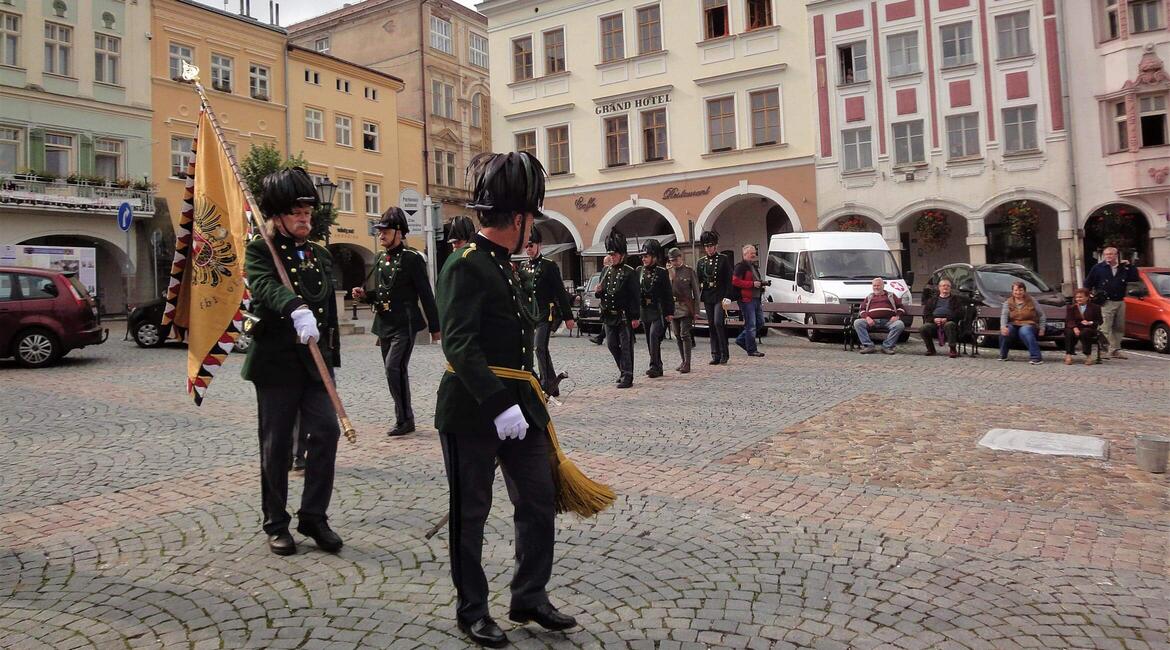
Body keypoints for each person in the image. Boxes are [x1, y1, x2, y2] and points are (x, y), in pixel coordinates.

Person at [435, 151, 577, 648]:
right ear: (518, 218)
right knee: (470, 512)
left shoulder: (504, 264)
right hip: (474, 408)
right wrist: (499, 404)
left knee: (538, 501)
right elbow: (459, 343)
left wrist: (519, 403)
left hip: (521, 405)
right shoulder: (464, 264)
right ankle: (471, 609)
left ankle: (529, 595)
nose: (532, 225)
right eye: (531, 217)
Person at [241, 167, 342, 556]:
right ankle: (276, 522)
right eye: (297, 213)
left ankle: (314, 515)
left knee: (327, 433)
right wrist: (294, 307)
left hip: (315, 365)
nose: (305, 219)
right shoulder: (259, 249)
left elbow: (326, 310)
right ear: (278, 215)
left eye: (307, 212)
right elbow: (264, 286)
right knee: (277, 445)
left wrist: (331, 359)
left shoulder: (318, 252)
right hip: (277, 364)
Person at [351, 207, 441, 437]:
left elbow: (426, 294)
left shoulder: (412, 259)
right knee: (392, 370)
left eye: (385, 231)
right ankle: (403, 418)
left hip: (405, 322)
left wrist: (435, 328)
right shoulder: (381, 258)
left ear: (399, 232)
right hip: (384, 323)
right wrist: (365, 296)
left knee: (394, 368)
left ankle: (405, 419)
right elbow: (382, 293)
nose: (380, 235)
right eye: (379, 231)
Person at [521, 228, 576, 396]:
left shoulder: (549, 266)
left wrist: (568, 316)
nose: (529, 249)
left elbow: (560, 292)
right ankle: (552, 383)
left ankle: (546, 383)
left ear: (539, 245)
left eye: (532, 245)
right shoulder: (524, 267)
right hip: (530, 314)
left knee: (539, 347)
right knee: (537, 349)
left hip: (546, 313)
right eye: (527, 246)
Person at [594, 231, 641, 388]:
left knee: (626, 346)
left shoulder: (629, 272)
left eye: (614, 255)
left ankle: (628, 375)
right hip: (608, 315)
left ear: (621, 255)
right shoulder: (606, 271)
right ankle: (622, 369)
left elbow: (635, 296)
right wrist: (598, 290)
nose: (612, 257)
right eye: (610, 255)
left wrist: (635, 316)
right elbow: (601, 294)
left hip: (623, 315)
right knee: (612, 345)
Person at [1084, 246, 1138, 359]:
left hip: (1120, 300)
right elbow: (1088, 283)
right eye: (1106, 254)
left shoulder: (1123, 268)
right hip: (1105, 301)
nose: (1108, 256)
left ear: (1116, 255)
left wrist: (1130, 265)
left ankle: (1115, 349)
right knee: (1105, 327)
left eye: (1111, 254)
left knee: (1119, 327)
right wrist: (1088, 295)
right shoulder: (1098, 268)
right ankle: (1103, 350)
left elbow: (1134, 278)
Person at [637, 239, 674, 378]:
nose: (644, 259)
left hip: (658, 310)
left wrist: (669, 312)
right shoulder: (639, 271)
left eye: (646, 256)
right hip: (645, 310)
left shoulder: (661, 272)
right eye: (643, 256)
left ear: (654, 257)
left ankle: (654, 366)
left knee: (654, 336)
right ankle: (658, 365)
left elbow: (667, 293)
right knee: (649, 339)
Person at [696, 230, 733, 364]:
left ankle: (724, 352)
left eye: (711, 246)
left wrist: (728, 296)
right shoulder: (701, 262)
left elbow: (729, 279)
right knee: (711, 325)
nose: (709, 249)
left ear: (715, 246)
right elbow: (698, 280)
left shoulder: (723, 259)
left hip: (720, 296)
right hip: (707, 296)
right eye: (706, 246)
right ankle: (715, 354)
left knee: (718, 323)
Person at [998, 280, 1047, 364]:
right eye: (1016, 290)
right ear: (1012, 291)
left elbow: (1042, 315)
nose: (1018, 292)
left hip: (1029, 324)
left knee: (1024, 330)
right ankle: (1003, 355)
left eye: (1020, 290)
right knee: (1007, 330)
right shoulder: (1008, 302)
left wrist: (1042, 328)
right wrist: (1003, 327)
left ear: (1024, 291)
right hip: (1014, 324)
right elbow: (1004, 316)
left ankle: (1036, 357)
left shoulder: (1032, 300)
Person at [854, 277, 907, 354]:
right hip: (872, 321)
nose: (876, 287)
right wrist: (867, 317)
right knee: (857, 323)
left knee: (899, 324)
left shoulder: (890, 296)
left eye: (878, 285)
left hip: (888, 321)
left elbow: (901, 308)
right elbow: (862, 310)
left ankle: (887, 346)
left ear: (883, 286)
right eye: (874, 286)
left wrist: (897, 316)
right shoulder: (869, 297)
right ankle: (868, 346)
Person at [731, 244, 767, 358]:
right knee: (751, 325)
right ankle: (752, 350)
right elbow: (735, 281)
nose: (754, 255)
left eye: (754, 253)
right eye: (752, 253)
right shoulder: (740, 266)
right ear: (745, 254)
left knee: (760, 322)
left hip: (756, 298)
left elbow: (755, 280)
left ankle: (741, 340)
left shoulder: (753, 266)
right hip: (746, 299)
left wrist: (761, 284)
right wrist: (752, 284)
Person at [667, 247, 698, 373]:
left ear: (681, 257)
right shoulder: (668, 272)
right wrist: (670, 276)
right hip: (673, 307)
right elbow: (667, 291)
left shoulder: (689, 271)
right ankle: (683, 360)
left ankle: (688, 363)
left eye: (676, 259)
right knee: (677, 335)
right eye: (672, 260)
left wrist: (696, 310)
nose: (674, 262)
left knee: (685, 334)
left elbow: (696, 292)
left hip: (686, 307)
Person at [920, 279, 964, 357]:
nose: (945, 287)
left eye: (948, 286)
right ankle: (931, 349)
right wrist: (934, 319)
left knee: (949, 325)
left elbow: (959, 313)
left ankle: (953, 349)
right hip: (934, 323)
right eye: (943, 285)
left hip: (949, 322)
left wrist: (946, 319)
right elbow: (926, 314)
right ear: (939, 287)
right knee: (923, 328)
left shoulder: (955, 300)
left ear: (950, 288)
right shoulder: (932, 300)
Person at [1064, 287, 1103, 365]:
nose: (1078, 299)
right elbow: (1069, 320)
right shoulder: (1071, 307)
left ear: (1087, 297)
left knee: (1085, 332)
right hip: (1075, 327)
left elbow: (1099, 321)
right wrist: (1074, 328)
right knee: (1069, 332)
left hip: (1089, 328)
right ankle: (1068, 355)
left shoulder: (1095, 307)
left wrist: (1090, 322)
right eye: (1077, 297)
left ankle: (1088, 355)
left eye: (1081, 297)